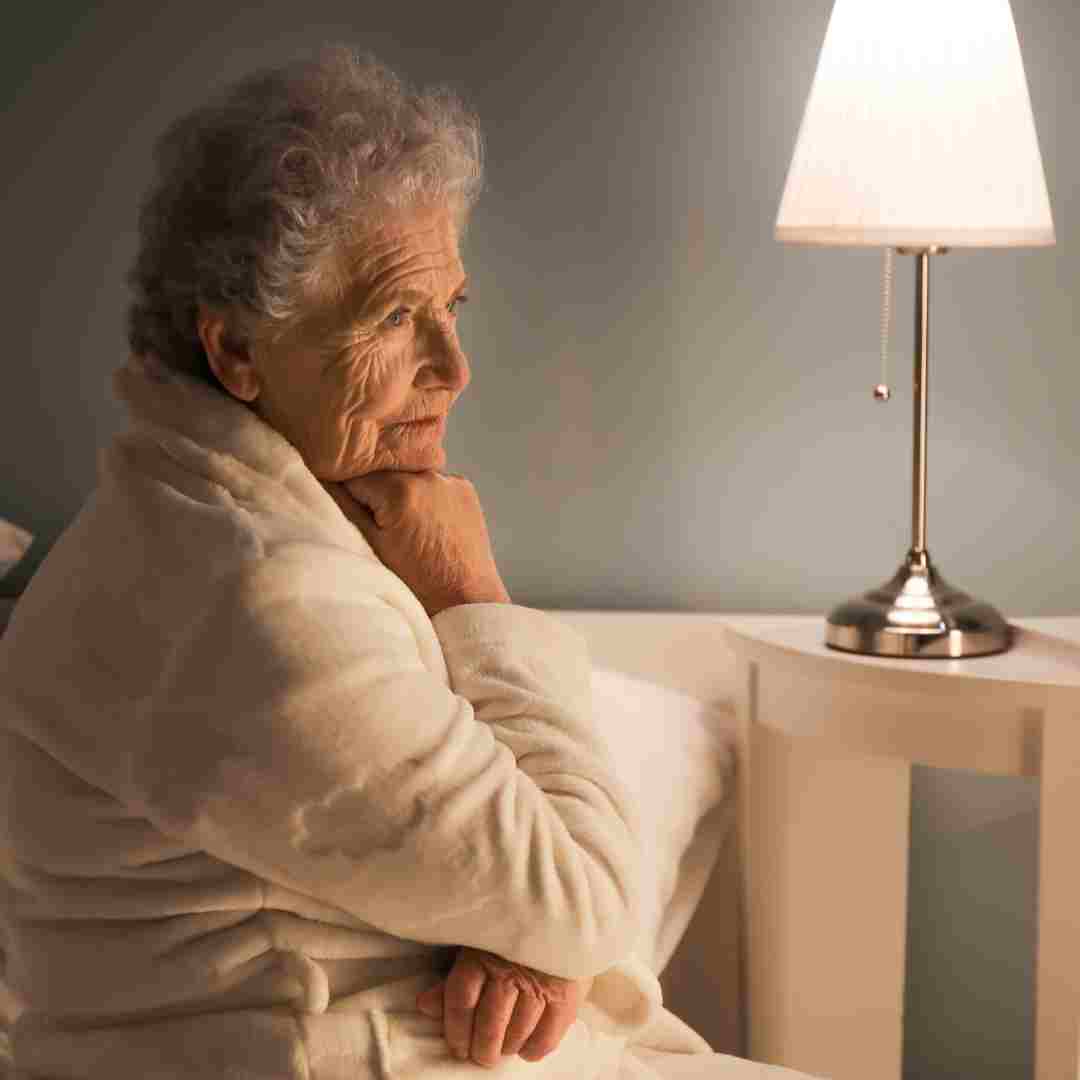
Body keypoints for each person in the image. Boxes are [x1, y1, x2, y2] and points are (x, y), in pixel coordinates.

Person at [0, 46, 822, 1080]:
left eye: (453, 306)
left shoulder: (200, 516)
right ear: (237, 352)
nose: (454, 368)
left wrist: (534, 941)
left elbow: (541, 896)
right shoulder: (250, 596)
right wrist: (472, 597)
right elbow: (589, 900)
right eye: (393, 317)